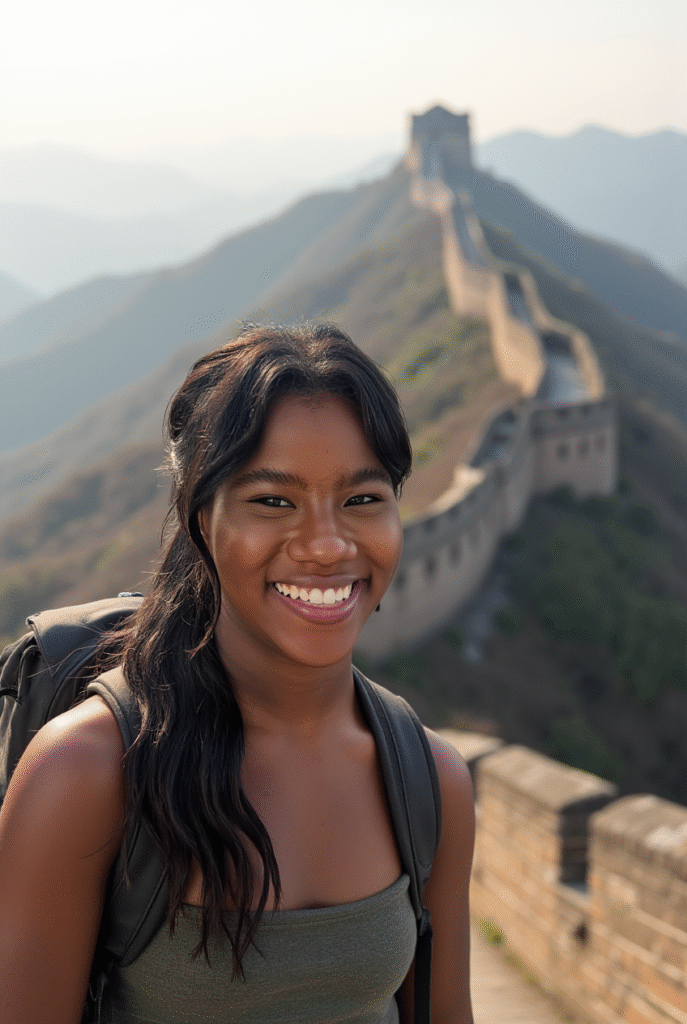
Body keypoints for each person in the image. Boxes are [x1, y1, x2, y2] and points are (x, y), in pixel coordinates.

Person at [0, 324, 475, 1024]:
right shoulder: (87, 773)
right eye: (272, 501)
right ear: (201, 524)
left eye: (362, 499)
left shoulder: (428, 780)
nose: (324, 545)